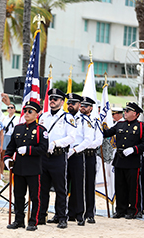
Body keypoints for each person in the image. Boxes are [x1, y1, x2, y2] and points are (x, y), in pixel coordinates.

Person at [4, 101, 48, 231]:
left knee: (35, 197)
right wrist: (7, 159)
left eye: (30, 111)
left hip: (34, 168)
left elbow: (43, 149)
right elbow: (11, 147)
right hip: (19, 168)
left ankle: (33, 221)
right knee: (18, 195)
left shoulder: (41, 130)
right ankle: (19, 221)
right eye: (25, 111)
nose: (26, 113)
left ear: (37, 114)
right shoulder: (18, 128)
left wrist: (28, 150)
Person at [103, 102, 144, 219]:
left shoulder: (141, 126)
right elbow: (107, 133)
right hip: (119, 160)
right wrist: (99, 125)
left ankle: (133, 210)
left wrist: (134, 149)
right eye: (125, 111)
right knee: (119, 186)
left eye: (127, 111)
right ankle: (120, 210)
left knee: (133, 187)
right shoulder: (120, 124)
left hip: (132, 161)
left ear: (135, 113)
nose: (125, 113)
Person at [38, 88, 76, 229]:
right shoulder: (44, 117)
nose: (52, 101)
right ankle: (41, 216)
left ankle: (61, 217)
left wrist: (55, 143)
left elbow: (71, 137)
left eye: (56, 99)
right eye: (51, 98)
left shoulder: (68, 118)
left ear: (62, 101)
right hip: (44, 157)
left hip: (58, 156)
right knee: (43, 188)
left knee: (61, 189)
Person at [65, 94, 94, 226]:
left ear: (79, 105)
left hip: (76, 155)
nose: (70, 104)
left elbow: (88, 140)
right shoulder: (63, 118)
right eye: (69, 102)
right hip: (63, 154)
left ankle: (79, 214)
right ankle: (63, 213)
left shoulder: (84, 120)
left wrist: (76, 150)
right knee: (62, 186)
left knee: (78, 186)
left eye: (74, 103)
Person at [81, 97, 102, 224]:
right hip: (77, 155)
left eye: (86, 106)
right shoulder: (75, 119)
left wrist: (85, 145)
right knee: (76, 184)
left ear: (91, 108)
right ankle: (75, 211)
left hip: (89, 154)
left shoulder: (95, 121)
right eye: (82, 105)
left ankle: (90, 213)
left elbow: (99, 140)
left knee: (89, 184)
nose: (83, 107)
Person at [0, 103, 19, 179]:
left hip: (12, 136)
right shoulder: (4, 118)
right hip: (5, 136)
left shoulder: (17, 119)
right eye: (9, 107)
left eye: (12, 107)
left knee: (11, 156)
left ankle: (11, 174)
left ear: (14, 109)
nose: (10, 109)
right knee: (3, 155)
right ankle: (1, 173)